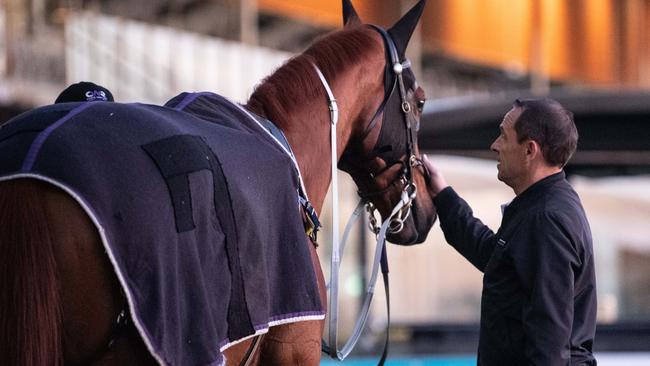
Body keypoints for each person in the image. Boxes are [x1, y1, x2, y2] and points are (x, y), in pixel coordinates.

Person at [422, 98, 597, 365]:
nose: (495, 145)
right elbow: (493, 256)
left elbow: (549, 343)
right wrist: (444, 196)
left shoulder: (546, 219)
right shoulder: (542, 204)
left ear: (530, 150)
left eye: (504, 136)